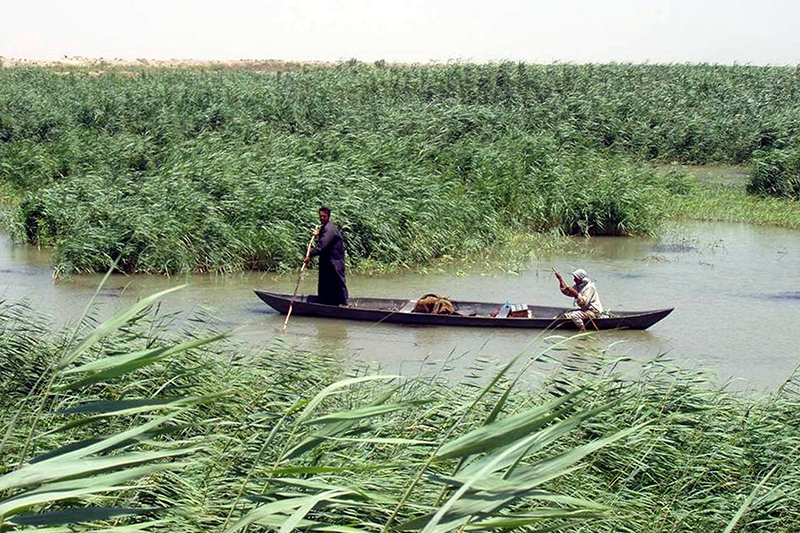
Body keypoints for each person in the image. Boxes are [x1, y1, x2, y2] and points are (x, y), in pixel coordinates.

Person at [304, 206, 348, 306]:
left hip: (334, 261)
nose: (322, 218)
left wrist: (310, 255)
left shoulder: (330, 228)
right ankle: (327, 303)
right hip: (327, 261)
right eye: (320, 216)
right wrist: (318, 234)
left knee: (337, 282)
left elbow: (322, 245)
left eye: (324, 216)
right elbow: (325, 237)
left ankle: (344, 304)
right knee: (326, 282)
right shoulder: (326, 227)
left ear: (328, 216)